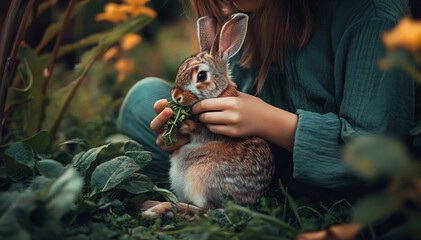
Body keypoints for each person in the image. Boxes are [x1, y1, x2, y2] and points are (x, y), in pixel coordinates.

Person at [117, 0, 415, 196]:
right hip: (255, 161)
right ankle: (208, 184)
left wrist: (268, 122)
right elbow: (240, 92)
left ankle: (216, 195)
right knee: (143, 100)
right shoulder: (255, 11)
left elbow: (377, 153)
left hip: (341, 172)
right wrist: (190, 131)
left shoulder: (372, 18)